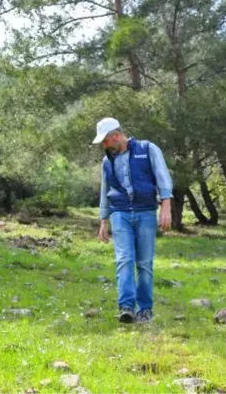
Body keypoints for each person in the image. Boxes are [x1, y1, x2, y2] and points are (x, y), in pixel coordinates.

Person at [93, 117, 173, 323]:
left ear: (117, 136)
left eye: (105, 140)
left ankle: (145, 309)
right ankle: (126, 307)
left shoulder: (148, 149)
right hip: (119, 214)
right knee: (124, 260)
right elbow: (104, 190)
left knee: (144, 263)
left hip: (146, 212)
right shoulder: (106, 161)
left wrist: (166, 206)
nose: (103, 145)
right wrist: (103, 220)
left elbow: (162, 176)